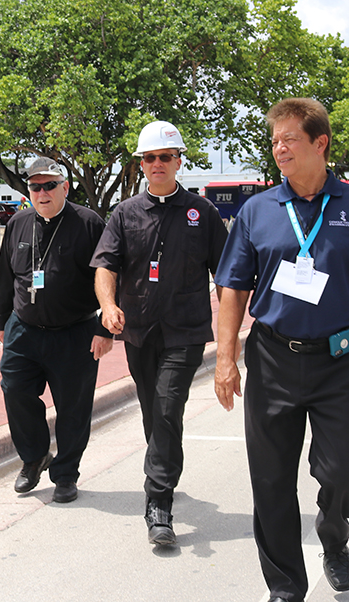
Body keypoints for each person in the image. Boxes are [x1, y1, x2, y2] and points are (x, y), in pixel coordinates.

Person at [213, 98, 349, 602]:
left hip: (338, 362)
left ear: (320, 144)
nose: (279, 148)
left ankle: (333, 533)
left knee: (345, 472)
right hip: (273, 360)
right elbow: (232, 288)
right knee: (271, 481)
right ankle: (285, 588)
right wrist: (225, 357)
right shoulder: (257, 211)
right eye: (275, 140)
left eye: (289, 140)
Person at [90, 121, 229, 545]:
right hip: (140, 332)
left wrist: (230, 336)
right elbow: (105, 267)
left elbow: (225, 275)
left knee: (168, 409)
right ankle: (165, 470)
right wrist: (109, 306)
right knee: (155, 413)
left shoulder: (202, 213)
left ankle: (158, 504)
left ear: (178, 161)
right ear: (141, 164)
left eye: (164, 157)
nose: (156, 164)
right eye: (149, 158)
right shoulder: (125, 213)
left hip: (185, 331)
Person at [0, 156, 113, 504]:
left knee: (73, 408)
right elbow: (5, 274)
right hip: (24, 329)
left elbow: (107, 276)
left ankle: (65, 475)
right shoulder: (18, 223)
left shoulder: (89, 223)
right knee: (15, 390)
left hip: (75, 331)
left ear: (65, 187)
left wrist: (107, 328)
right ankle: (34, 458)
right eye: (35, 186)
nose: (42, 193)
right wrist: (1, 319)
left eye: (49, 186)